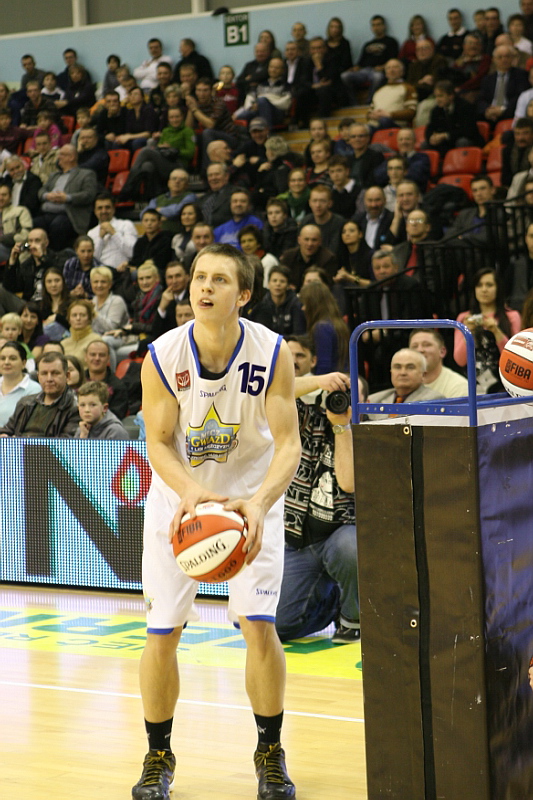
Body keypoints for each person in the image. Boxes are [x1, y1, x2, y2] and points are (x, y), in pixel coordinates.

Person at [135, 242, 301, 800]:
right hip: (180, 503)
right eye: (199, 277)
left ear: (244, 294)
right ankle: (158, 755)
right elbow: (158, 443)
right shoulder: (162, 355)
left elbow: (288, 444)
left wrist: (259, 503)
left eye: (220, 280)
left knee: (259, 625)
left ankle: (270, 752)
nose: (204, 287)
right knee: (162, 632)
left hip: (252, 501)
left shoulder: (272, 351)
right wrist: (191, 492)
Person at [276, 374, 361, 644]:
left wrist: (342, 427)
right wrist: (318, 381)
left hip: (341, 536)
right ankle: (333, 603)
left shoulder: (367, 431)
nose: (342, 400)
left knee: (349, 548)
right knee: (280, 627)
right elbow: (275, 391)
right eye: (338, 394)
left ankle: (352, 617)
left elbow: (348, 482)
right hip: (299, 541)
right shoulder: (305, 419)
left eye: (350, 396)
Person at [454, 268, 522, 393]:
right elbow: (460, 360)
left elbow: (516, 358)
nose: (484, 289)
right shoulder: (464, 318)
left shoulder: (512, 316)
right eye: (479, 285)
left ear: (498, 288)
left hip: (504, 385)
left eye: (489, 285)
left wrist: (496, 331)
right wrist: (469, 333)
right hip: (474, 387)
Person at [0, 351, 79, 437]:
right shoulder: (25, 403)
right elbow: (7, 430)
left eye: (55, 373)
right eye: (44, 373)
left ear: (67, 376)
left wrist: (19, 442)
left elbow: (65, 443)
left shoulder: (76, 407)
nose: (49, 379)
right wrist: (4, 437)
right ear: (38, 377)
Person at [35, 144, 97, 251]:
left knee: (58, 226)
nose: (58, 157)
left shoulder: (86, 174)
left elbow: (89, 194)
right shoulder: (54, 175)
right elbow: (41, 191)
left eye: (62, 154)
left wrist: (67, 198)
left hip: (69, 213)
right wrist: (47, 195)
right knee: (34, 224)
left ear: (71, 157)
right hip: (47, 212)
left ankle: (56, 256)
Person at [366, 348, 444, 419]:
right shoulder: (373, 400)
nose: (403, 372)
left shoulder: (434, 400)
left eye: (410, 367)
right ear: (391, 372)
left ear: (423, 375)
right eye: (397, 367)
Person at [341, 15, 399, 103]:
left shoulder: (391, 41)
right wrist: (356, 67)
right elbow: (361, 61)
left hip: (378, 71)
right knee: (344, 76)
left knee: (377, 77)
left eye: (378, 24)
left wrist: (383, 67)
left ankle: (370, 102)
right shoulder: (367, 44)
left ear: (384, 26)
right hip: (364, 71)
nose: (376, 27)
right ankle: (353, 103)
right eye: (373, 25)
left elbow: (393, 60)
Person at [299, 281, 349, 373]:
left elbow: (324, 368)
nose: (303, 308)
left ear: (313, 304)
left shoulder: (322, 328)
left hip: (332, 379)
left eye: (305, 304)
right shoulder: (337, 323)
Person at [409, 328, 469, 397]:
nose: (420, 350)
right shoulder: (403, 383)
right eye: (414, 346)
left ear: (442, 352)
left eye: (426, 345)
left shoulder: (459, 386)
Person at [249, 264, 304, 335]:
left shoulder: (296, 304)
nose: (278, 284)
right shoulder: (261, 305)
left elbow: (298, 333)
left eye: (282, 281)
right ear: (268, 284)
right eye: (274, 281)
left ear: (288, 285)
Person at [87, 193, 138, 269]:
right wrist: (100, 239)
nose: (104, 211)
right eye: (100, 208)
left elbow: (132, 253)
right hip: (99, 274)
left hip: (122, 272)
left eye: (107, 207)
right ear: (95, 211)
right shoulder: (91, 233)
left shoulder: (126, 225)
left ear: (113, 209)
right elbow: (91, 260)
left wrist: (114, 233)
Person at [280, 223, 337, 289]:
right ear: (299, 240)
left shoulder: (328, 259)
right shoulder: (288, 256)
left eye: (314, 240)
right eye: (306, 239)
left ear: (320, 242)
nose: (310, 244)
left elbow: (327, 286)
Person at [84, 340, 129, 420]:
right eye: (93, 354)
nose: (97, 358)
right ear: (85, 357)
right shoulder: (78, 382)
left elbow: (116, 417)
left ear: (108, 358)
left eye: (102, 355)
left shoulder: (118, 387)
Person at [0, 340, 41, 427]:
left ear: (23, 363)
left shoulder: (34, 390)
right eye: (2, 358)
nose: (6, 362)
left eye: (12, 358)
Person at [62, 300, 103, 370]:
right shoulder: (63, 343)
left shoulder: (96, 340)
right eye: (74, 315)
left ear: (89, 319)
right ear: (69, 319)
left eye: (82, 315)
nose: (78, 318)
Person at [90, 266, 129, 336]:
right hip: (96, 337)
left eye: (103, 282)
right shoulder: (92, 301)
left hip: (116, 338)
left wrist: (94, 313)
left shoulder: (117, 301)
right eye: (96, 282)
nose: (99, 285)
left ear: (110, 284)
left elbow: (111, 328)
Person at [353, 186, 394, 252]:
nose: (373, 205)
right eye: (370, 200)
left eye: (377, 200)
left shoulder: (393, 219)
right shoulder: (357, 220)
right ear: (364, 201)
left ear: (385, 200)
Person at [0, 181, 32, 263]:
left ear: (10, 196)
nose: (1, 198)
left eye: (4, 195)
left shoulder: (20, 211)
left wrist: (8, 238)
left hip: (13, 247)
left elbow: (27, 233)